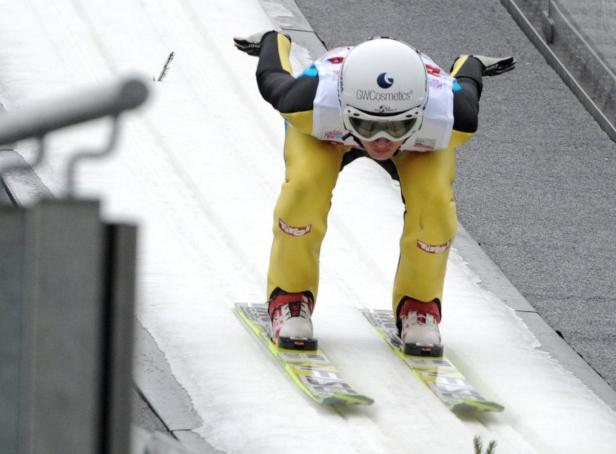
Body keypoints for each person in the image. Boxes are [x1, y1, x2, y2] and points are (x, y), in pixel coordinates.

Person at [234, 30, 514, 355]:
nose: (381, 141)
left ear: (421, 111)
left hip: (399, 137)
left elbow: (467, 82)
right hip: (329, 133)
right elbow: (273, 75)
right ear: (345, 106)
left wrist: (472, 64)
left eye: (396, 126)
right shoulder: (307, 101)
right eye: (368, 126)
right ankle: (289, 298)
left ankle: (419, 306)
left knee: (435, 205)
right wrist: (272, 42)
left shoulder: (452, 116)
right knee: (304, 187)